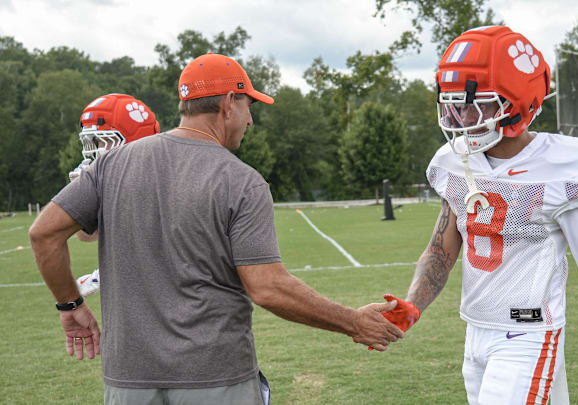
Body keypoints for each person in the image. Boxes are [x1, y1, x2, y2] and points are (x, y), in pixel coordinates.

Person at [29, 52, 403, 405]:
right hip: (215, 380)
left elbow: (44, 233)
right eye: (248, 106)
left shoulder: (111, 165)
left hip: (127, 381)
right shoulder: (241, 181)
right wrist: (353, 322)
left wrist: (70, 305)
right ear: (228, 103)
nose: (251, 120)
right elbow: (267, 287)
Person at [381, 26, 578, 405]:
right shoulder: (454, 163)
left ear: (517, 103)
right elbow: (441, 249)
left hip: (529, 335)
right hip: (475, 334)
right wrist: (413, 304)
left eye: (474, 103)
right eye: (453, 103)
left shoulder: (563, 167)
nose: (460, 116)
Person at [69, 93, 162, 295]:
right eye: (93, 143)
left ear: (136, 141)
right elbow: (87, 235)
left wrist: (101, 277)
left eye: (103, 142)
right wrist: (80, 199)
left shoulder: (159, 182)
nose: (95, 151)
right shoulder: (124, 183)